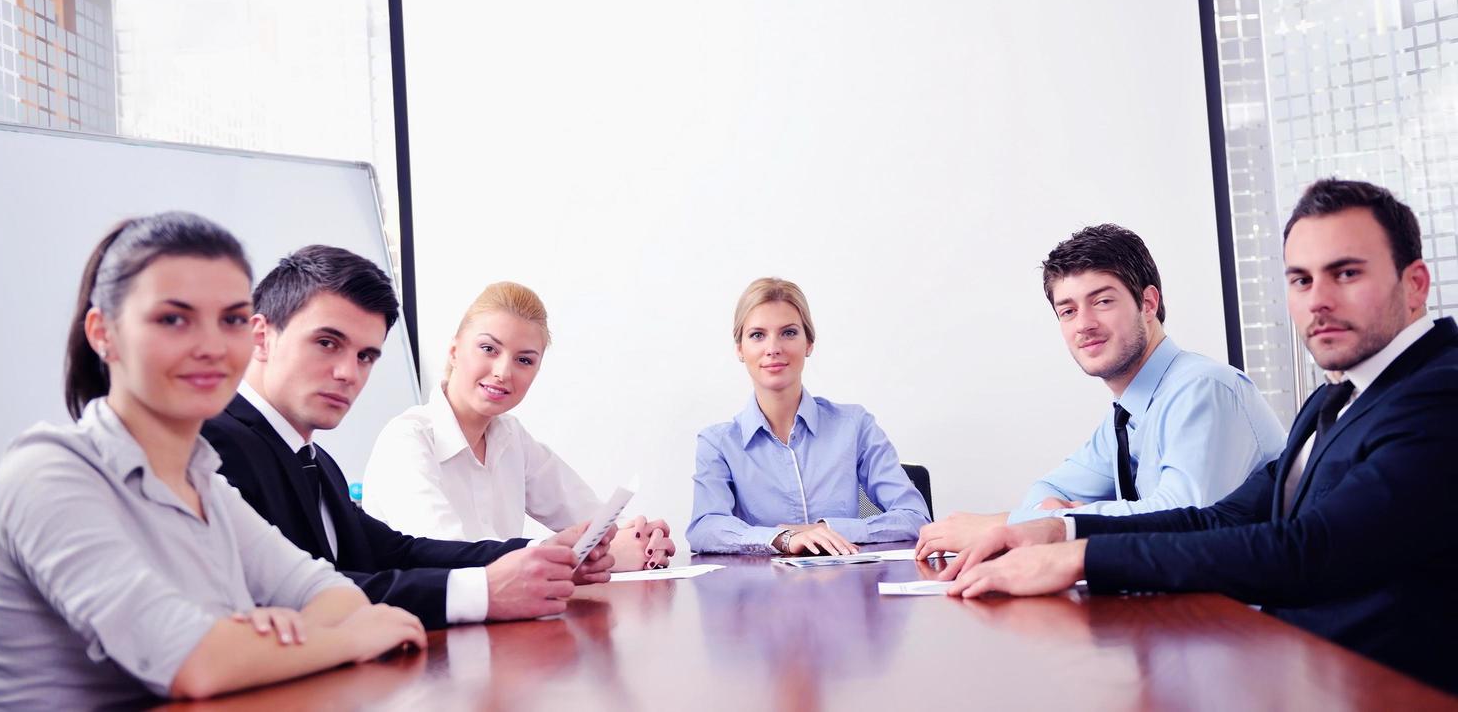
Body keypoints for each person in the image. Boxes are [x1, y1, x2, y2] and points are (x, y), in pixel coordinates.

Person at [941, 179, 1458, 695]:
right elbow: (1221, 516)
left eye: (1345, 274)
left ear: (1414, 284)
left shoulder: (1440, 392)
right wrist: (1062, 531)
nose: (1317, 301)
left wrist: (1082, 557)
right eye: (1300, 281)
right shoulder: (1338, 398)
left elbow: (1309, 549)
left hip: (1385, 690)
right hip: (1304, 672)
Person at [0, 213, 426, 707]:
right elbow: (195, 663)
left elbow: (339, 597)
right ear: (102, 333)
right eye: (173, 319)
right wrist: (343, 639)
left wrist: (260, 640)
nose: (213, 347)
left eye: (232, 320)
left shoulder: (206, 485)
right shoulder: (47, 471)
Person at [201, 246, 615, 630]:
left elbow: (397, 551)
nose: (349, 373)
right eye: (327, 343)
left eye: (365, 356)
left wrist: (540, 555)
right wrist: (482, 591)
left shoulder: (315, 460)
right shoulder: (210, 446)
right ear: (260, 338)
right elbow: (286, 594)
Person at [916, 224, 1285, 559]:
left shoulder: (1202, 389)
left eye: (1102, 301)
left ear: (1148, 303)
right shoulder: (1127, 414)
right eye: (1068, 311)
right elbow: (1046, 488)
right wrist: (1053, 514)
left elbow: (1182, 518)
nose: (1084, 325)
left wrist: (1011, 525)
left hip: (1250, 621)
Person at [361, 281, 675, 570]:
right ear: (454, 351)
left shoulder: (510, 436)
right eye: (489, 349)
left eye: (524, 360)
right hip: (424, 625)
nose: (503, 372)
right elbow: (447, 559)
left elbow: (594, 519)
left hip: (502, 620)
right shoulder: (405, 441)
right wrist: (592, 555)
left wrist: (642, 537)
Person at [687, 277, 930, 555]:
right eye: (757, 335)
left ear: (809, 343)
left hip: (846, 588)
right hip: (764, 593)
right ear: (740, 349)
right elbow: (705, 528)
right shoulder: (718, 443)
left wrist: (828, 529)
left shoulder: (854, 425)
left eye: (789, 333)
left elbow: (915, 517)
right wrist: (782, 538)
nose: (773, 347)